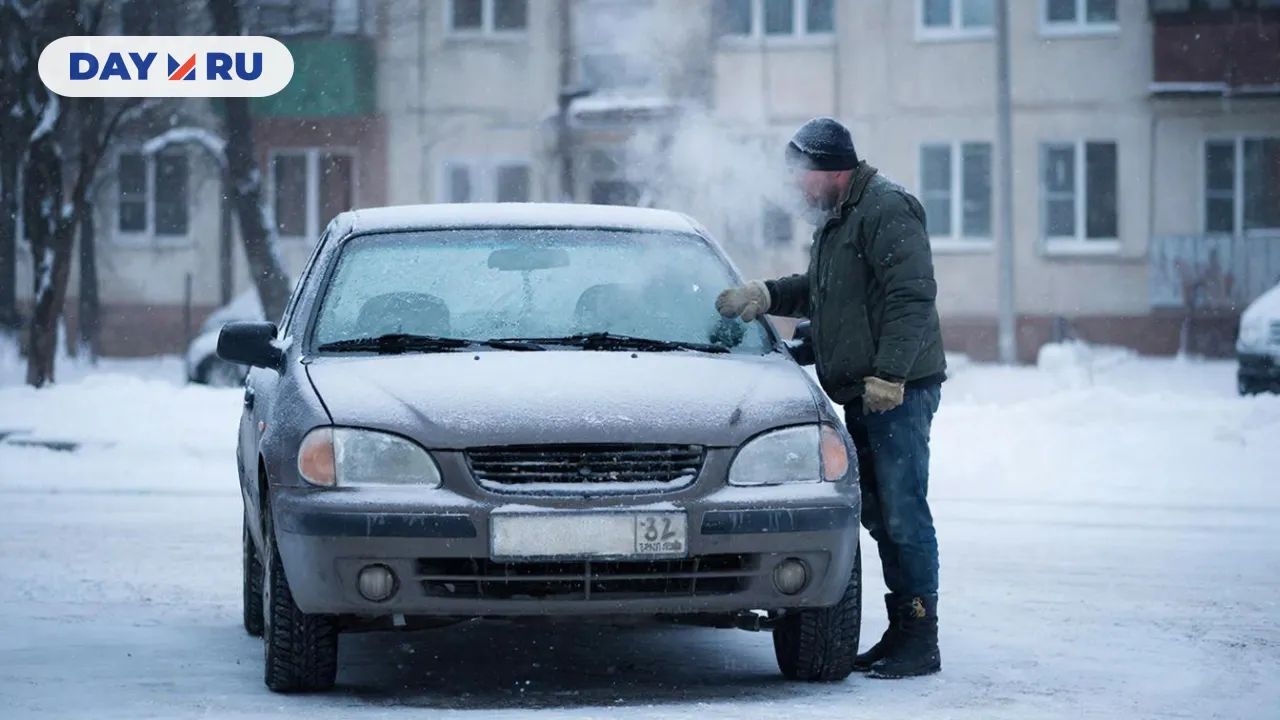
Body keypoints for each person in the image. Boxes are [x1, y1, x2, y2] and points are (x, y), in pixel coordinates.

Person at [716, 117, 947, 679]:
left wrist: (890, 375)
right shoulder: (839, 220)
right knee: (883, 515)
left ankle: (921, 637)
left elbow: (911, 298)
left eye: (800, 174)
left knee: (904, 512)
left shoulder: (887, 208)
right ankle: (903, 632)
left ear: (830, 169)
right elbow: (826, 291)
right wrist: (766, 294)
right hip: (867, 391)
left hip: (897, 391)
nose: (795, 186)